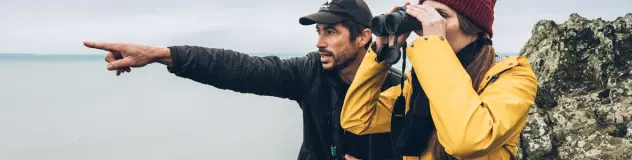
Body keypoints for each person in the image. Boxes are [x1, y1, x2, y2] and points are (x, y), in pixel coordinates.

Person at [82, 0, 403, 159]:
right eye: (318, 32)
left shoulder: (397, 89)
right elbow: (240, 69)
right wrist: (160, 54)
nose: (319, 42)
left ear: (363, 38)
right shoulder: (309, 73)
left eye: (330, 32)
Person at [340, 0, 538, 160]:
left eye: (440, 16)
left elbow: (467, 141)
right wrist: (381, 52)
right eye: (424, 16)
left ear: (474, 28)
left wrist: (435, 47)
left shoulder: (512, 76)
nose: (428, 26)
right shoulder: (419, 83)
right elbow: (357, 119)